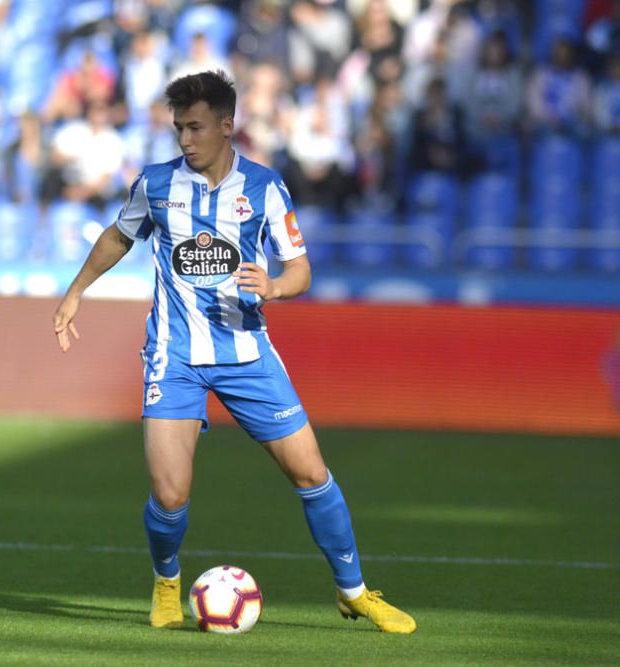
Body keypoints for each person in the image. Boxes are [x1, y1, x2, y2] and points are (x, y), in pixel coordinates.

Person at [52, 70, 416, 634]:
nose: (185, 139)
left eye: (195, 127)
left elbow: (300, 269)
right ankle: (168, 581)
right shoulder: (154, 184)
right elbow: (118, 236)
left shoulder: (265, 188)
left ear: (228, 127)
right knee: (170, 493)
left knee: (312, 473)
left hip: (248, 354)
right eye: (178, 128)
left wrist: (273, 286)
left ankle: (354, 591)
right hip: (174, 356)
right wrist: (76, 292)